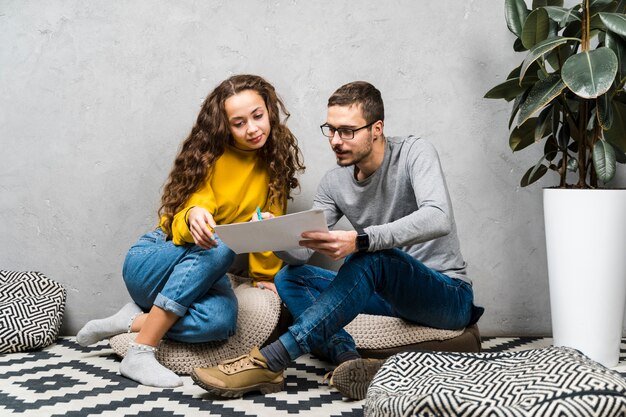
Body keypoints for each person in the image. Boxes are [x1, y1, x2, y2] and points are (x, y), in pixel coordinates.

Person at [190, 81, 484, 400]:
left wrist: (359, 241)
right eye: (330, 130)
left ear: (376, 128)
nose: (335, 141)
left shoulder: (415, 152)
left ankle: (271, 359)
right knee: (290, 277)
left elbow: (437, 216)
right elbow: (301, 254)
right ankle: (348, 360)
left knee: (372, 256)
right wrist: (275, 235)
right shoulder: (334, 182)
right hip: (386, 295)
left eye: (347, 131)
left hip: (446, 293)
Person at [75, 74, 305, 388]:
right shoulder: (210, 157)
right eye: (238, 123)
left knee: (221, 322)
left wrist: (264, 276)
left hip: (203, 274)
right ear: (225, 126)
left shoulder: (274, 163)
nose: (252, 128)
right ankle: (141, 352)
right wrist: (194, 213)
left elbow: (268, 224)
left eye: (257, 116)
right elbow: (194, 207)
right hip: (154, 260)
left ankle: (129, 320)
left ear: (269, 111)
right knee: (223, 239)